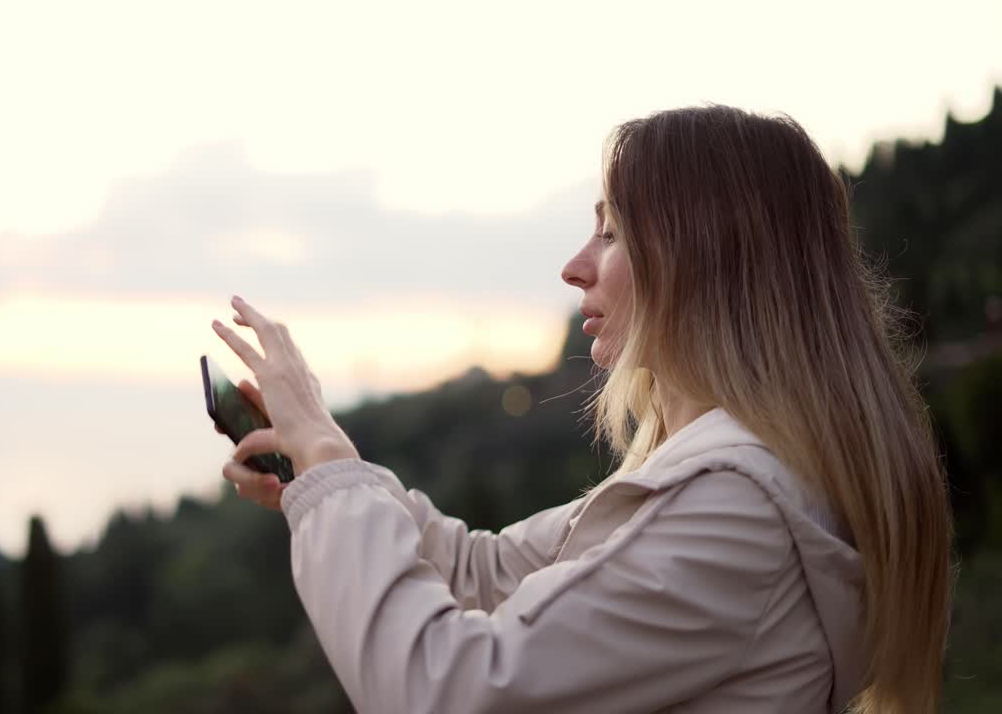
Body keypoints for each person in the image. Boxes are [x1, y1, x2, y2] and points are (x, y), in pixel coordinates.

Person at [209, 104, 953, 714]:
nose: (574, 266)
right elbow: (484, 570)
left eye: (613, 231)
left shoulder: (738, 511)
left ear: (706, 260)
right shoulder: (720, 482)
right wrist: (323, 467)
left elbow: (446, 690)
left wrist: (333, 476)